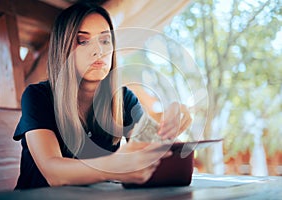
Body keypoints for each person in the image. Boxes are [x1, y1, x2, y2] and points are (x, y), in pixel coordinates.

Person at [13, 2, 192, 190]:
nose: (99, 51)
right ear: (63, 48)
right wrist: (115, 166)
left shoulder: (123, 98)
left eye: (105, 41)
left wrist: (169, 127)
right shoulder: (37, 97)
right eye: (83, 41)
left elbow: (149, 148)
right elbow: (53, 173)